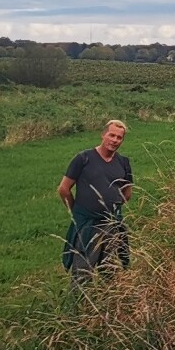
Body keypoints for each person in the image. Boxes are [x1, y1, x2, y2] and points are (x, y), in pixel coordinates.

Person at [58, 119, 134, 283]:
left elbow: (127, 193)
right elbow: (63, 189)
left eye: (119, 137)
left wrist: (113, 206)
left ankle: (110, 305)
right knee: (83, 273)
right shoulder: (83, 159)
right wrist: (77, 212)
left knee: (111, 271)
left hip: (111, 224)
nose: (114, 140)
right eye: (111, 135)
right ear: (103, 134)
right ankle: (80, 305)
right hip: (87, 225)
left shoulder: (123, 163)